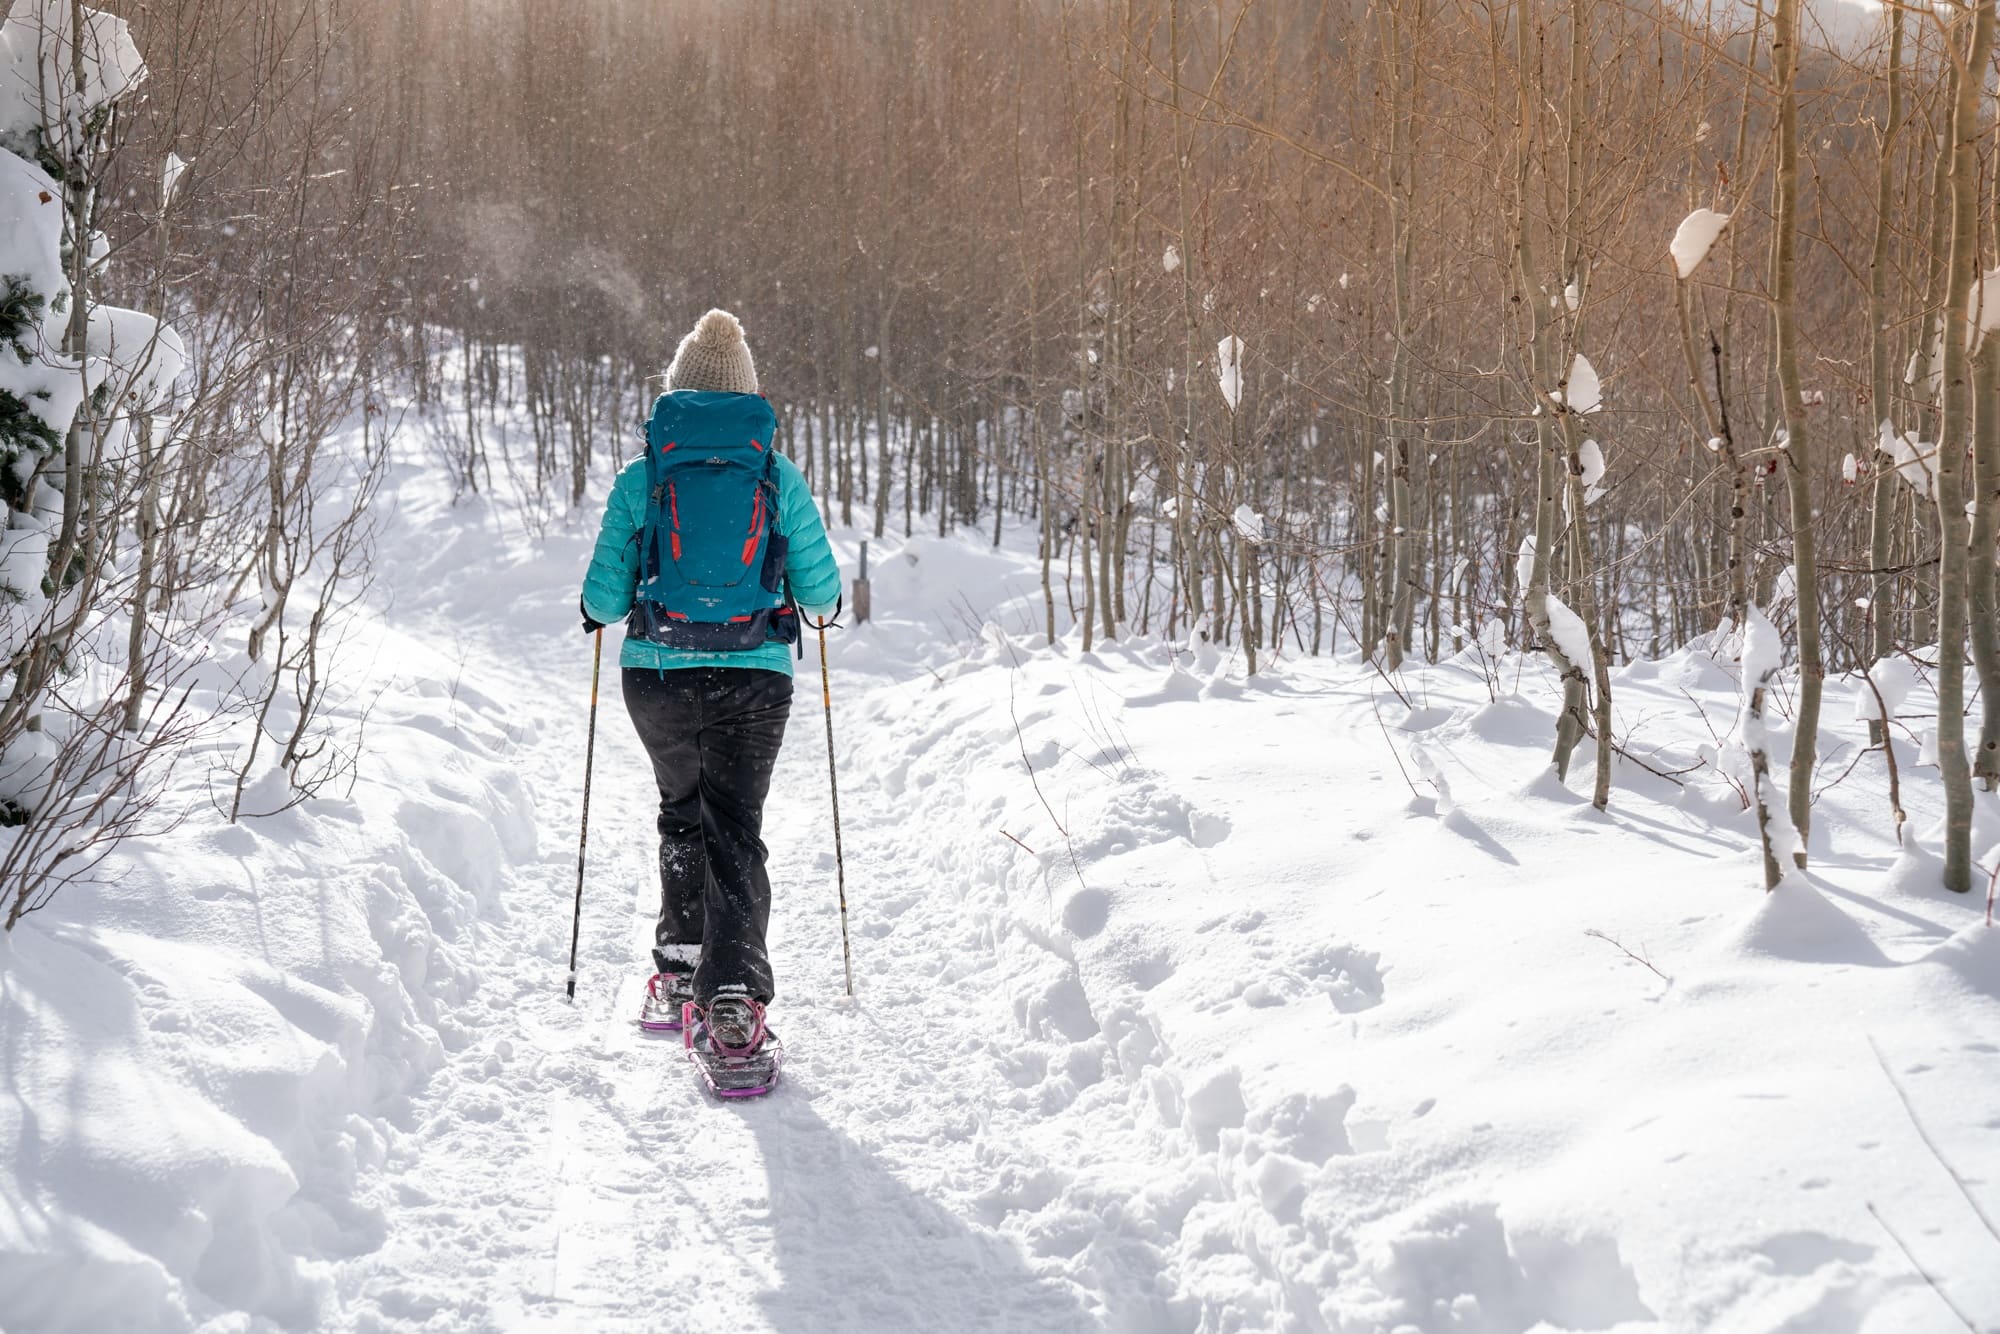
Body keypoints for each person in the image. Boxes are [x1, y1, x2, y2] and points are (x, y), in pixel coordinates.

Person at [580, 308, 840, 1054]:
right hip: (754, 675)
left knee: (681, 812)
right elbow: (820, 595)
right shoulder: (775, 473)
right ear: (749, 397)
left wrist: (602, 611)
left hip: (657, 676)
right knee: (735, 827)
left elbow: (603, 599)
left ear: (676, 395)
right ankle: (730, 998)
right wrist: (823, 604)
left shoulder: (646, 474)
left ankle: (678, 966)